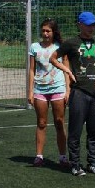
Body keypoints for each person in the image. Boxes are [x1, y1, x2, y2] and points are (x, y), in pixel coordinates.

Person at [50, 12, 95, 176]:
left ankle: (93, 163)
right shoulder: (71, 43)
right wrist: (67, 70)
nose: (91, 28)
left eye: (93, 25)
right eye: (88, 25)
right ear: (80, 25)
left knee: (94, 131)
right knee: (75, 131)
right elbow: (53, 58)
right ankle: (75, 164)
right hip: (79, 92)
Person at [28, 18, 69, 168]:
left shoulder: (60, 47)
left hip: (58, 88)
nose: (45, 33)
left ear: (53, 32)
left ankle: (63, 156)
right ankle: (39, 156)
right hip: (40, 89)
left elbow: (66, 68)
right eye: (43, 31)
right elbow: (31, 70)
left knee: (59, 122)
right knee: (41, 122)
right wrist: (30, 91)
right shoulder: (34, 47)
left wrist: (68, 89)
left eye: (48, 31)